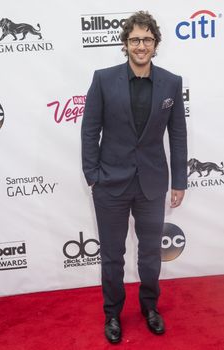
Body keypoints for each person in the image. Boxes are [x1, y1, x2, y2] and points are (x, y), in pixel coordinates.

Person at [81, 11, 187, 344]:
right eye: (135, 39)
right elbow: (89, 131)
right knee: (112, 254)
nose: (141, 46)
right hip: (110, 183)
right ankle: (112, 314)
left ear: (155, 44)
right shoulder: (102, 79)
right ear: (125, 43)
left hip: (153, 184)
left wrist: (179, 181)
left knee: (149, 253)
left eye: (147, 39)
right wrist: (93, 176)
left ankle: (150, 308)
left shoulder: (171, 82)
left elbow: (178, 135)